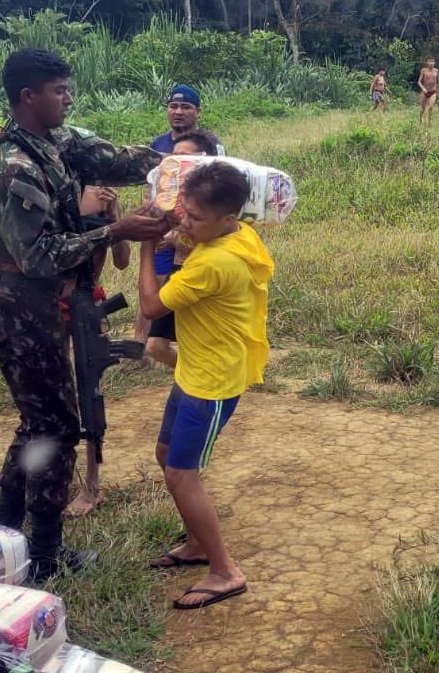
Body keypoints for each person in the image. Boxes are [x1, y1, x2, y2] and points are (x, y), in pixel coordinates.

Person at [0, 48, 170, 583]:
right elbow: (35, 256)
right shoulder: (9, 166)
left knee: (41, 423)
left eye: (67, 87)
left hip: (44, 304)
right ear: (26, 96)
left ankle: (3, 537)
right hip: (16, 304)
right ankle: (42, 556)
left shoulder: (61, 142)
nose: (68, 97)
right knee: (56, 429)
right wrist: (115, 231)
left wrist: (192, 166)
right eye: (58, 89)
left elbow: (127, 161)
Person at [136, 163, 273, 610]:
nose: (186, 222)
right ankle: (196, 544)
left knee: (181, 474)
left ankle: (225, 571)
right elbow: (190, 240)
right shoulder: (239, 236)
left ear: (227, 217)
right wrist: (178, 234)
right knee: (164, 456)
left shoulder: (215, 262)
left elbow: (153, 304)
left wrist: (145, 249)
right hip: (194, 371)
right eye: (185, 212)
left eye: (194, 217)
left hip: (210, 384)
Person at [65, 182, 132, 518]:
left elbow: (121, 262)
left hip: (86, 301)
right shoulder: (55, 186)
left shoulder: (103, 197)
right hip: (48, 302)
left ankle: (91, 485)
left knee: (88, 394)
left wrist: (115, 216)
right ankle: (60, 475)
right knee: (56, 393)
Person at [146, 130, 223, 371]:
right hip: (180, 272)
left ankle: (205, 378)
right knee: (156, 346)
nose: (177, 164)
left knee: (200, 341)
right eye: (174, 157)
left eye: (185, 158)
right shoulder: (168, 199)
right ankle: (198, 375)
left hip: (205, 279)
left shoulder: (219, 203)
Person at [151, 85, 204, 153]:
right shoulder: (157, 144)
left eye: (186, 107)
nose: (178, 112)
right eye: (173, 107)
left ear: (198, 112)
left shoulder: (209, 143)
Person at [417, 58, 439, 124]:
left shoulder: (436, 70)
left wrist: (438, 89)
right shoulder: (423, 70)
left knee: (431, 106)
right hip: (425, 91)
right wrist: (423, 88)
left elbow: (438, 81)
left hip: (433, 91)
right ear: (427, 62)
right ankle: (421, 120)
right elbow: (419, 81)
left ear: (434, 63)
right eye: (430, 61)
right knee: (423, 108)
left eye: (433, 61)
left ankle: (429, 121)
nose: (431, 63)